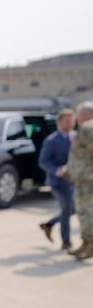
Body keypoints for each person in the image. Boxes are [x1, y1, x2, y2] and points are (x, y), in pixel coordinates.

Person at [38, 108, 76, 250]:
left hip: (73, 181)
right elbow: (43, 161)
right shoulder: (51, 140)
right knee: (66, 208)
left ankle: (49, 224)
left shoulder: (77, 137)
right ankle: (66, 242)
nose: (70, 123)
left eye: (72, 120)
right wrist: (57, 170)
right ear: (59, 122)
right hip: (57, 182)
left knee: (72, 210)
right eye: (67, 121)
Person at [66, 101, 93, 259]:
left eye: (78, 114)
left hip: (87, 181)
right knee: (83, 212)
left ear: (84, 114)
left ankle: (90, 244)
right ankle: (86, 243)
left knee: (86, 212)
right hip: (83, 178)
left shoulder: (88, 128)